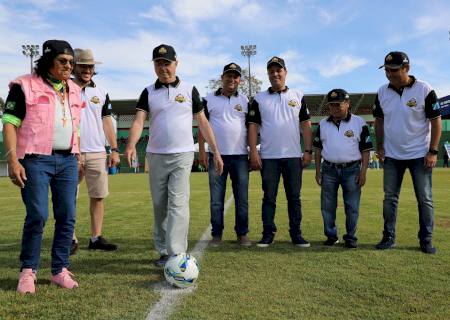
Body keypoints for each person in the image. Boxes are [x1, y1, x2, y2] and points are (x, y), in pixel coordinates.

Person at [125, 44, 223, 267]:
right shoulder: (148, 92)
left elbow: (203, 122)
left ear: (176, 63)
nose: (163, 67)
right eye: (158, 63)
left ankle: (176, 253)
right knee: (160, 205)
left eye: (167, 63)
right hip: (156, 155)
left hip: (182, 155)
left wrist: (215, 151)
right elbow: (139, 120)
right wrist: (130, 145)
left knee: (178, 204)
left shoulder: (189, 90)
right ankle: (162, 250)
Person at [2, 40, 82, 293]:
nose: (69, 66)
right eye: (63, 61)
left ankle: (60, 269)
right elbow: (10, 122)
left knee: (67, 216)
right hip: (35, 159)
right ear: (48, 61)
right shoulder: (24, 85)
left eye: (71, 62)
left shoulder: (74, 90)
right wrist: (13, 159)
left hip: (68, 159)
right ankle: (28, 271)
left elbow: (75, 125)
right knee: (37, 215)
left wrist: (77, 155)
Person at [373, 51, 442, 254]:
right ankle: (388, 237)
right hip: (393, 156)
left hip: (420, 154)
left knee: (425, 198)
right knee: (390, 198)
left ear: (406, 68)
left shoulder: (424, 89)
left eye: (394, 70)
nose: (389, 74)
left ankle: (426, 239)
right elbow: (379, 121)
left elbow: (436, 121)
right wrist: (380, 146)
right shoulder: (382, 92)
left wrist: (433, 151)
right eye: (386, 70)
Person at [248, 56, 313, 248]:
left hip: (293, 156)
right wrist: (253, 152)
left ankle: (296, 234)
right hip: (269, 157)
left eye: (279, 70)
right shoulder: (259, 98)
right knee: (269, 197)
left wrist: (307, 150)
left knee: (294, 197)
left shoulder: (298, 95)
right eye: (271, 71)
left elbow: (306, 125)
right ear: (268, 74)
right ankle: (268, 233)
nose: (275, 74)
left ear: (285, 72)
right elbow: (253, 127)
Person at [71, 48, 120, 253]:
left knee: (98, 196)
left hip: (97, 152)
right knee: (68, 196)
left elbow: (107, 121)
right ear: (74, 66)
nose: (87, 70)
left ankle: (95, 237)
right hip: (70, 151)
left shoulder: (100, 91)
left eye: (90, 66)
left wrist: (115, 149)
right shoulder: (65, 88)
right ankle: (70, 239)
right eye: (83, 66)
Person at [198, 63, 251, 247]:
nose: (232, 79)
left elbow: (250, 127)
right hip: (216, 156)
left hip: (240, 157)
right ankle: (217, 235)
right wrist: (203, 150)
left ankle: (242, 234)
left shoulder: (245, 100)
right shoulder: (209, 99)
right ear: (222, 77)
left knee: (242, 198)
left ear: (240, 80)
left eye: (236, 76)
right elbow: (202, 126)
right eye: (229, 75)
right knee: (216, 200)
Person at [313, 89, 373, 248]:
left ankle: (351, 237)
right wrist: (318, 171)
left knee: (352, 206)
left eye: (338, 104)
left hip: (352, 170)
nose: (334, 108)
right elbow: (317, 149)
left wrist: (363, 172)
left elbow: (366, 150)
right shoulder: (323, 123)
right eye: (331, 105)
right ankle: (331, 236)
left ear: (347, 103)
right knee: (327, 206)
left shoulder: (359, 122)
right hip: (329, 169)